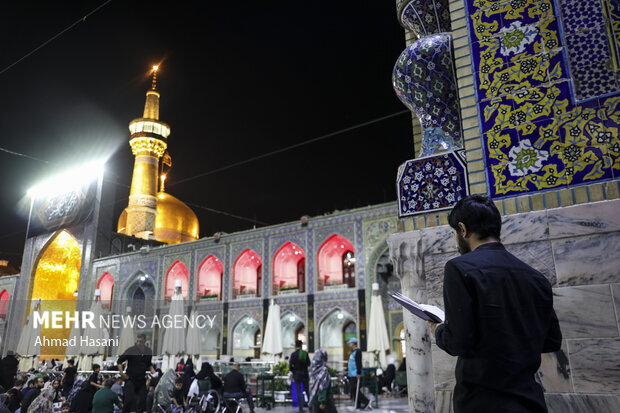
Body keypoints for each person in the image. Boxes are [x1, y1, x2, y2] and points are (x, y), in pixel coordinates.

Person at [433, 195, 562, 413]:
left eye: (455, 233)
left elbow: (459, 342)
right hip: (529, 402)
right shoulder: (535, 278)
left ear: (462, 229)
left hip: (482, 402)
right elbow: (551, 340)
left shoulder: (460, 268)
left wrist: (439, 330)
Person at [117, 333, 155, 413]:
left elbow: (149, 364)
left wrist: (154, 373)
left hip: (141, 380)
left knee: (142, 401)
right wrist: (121, 373)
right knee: (128, 400)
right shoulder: (131, 350)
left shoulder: (148, 351)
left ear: (144, 341)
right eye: (137, 341)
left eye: (140, 341)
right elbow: (119, 361)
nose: (138, 343)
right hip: (130, 379)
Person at [309, 349, 337, 413]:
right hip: (325, 403)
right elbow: (323, 387)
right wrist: (322, 401)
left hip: (314, 401)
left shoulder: (312, 371)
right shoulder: (323, 371)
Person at [346, 338, 370, 410]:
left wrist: (358, 373)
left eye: (350, 343)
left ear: (353, 344)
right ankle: (358, 405)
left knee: (354, 389)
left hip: (355, 374)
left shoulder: (358, 351)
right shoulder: (353, 352)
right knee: (354, 390)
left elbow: (358, 363)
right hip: (352, 374)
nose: (349, 345)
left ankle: (366, 401)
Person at [289, 339, 310, 412]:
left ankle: (300, 408)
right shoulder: (305, 353)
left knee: (298, 391)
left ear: (295, 346)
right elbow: (308, 364)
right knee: (307, 391)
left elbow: (290, 366)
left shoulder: (293, 354)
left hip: (297, 375)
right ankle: (310, 406)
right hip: (305, 374)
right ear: (301, 346)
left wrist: (293, 372)